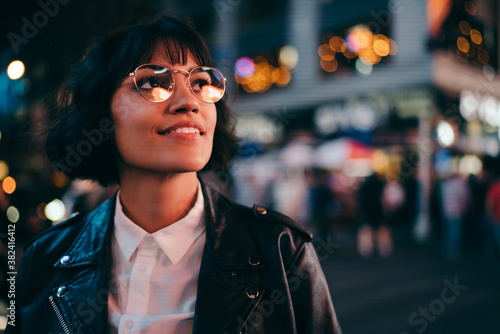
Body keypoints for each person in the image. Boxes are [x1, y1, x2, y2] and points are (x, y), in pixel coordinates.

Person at [7, 16, 341, 334]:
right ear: (101, 112)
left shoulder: (281, 251)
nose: (188, 101)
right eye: (153, 82)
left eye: (200, 83)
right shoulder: (45, 260)